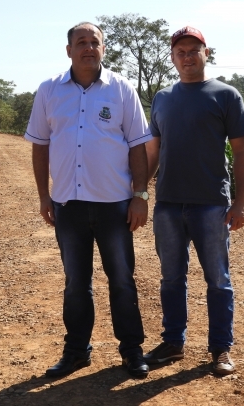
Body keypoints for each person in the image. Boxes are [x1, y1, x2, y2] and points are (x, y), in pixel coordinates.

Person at [25, 22, 152, 379]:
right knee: (76, 283)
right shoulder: (49, 90)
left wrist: (140, 195)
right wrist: (44, 195)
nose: (88, 48)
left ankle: (132, 351)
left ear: (103, 48)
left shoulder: (121, 89)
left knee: (122, 279)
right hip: (69, 205)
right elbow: (40, 146)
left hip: (115, 205)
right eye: (81, 42)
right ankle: (77, 351)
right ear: (69, 50)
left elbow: (138, 146)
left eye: (94, 42)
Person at [143, 26, 244, 376]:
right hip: (168, 204)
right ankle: (173, 343)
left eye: (194, 50)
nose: (187, 57)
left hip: (211, 204)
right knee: (171, 278)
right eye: (181, 52)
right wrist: (139, 191)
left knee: (218, 279)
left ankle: (220, 348)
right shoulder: (162, 98)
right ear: (173, 58)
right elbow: (154, 152)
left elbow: (241, 151)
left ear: (206, 53)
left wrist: (240, 202)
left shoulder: (226, 95)